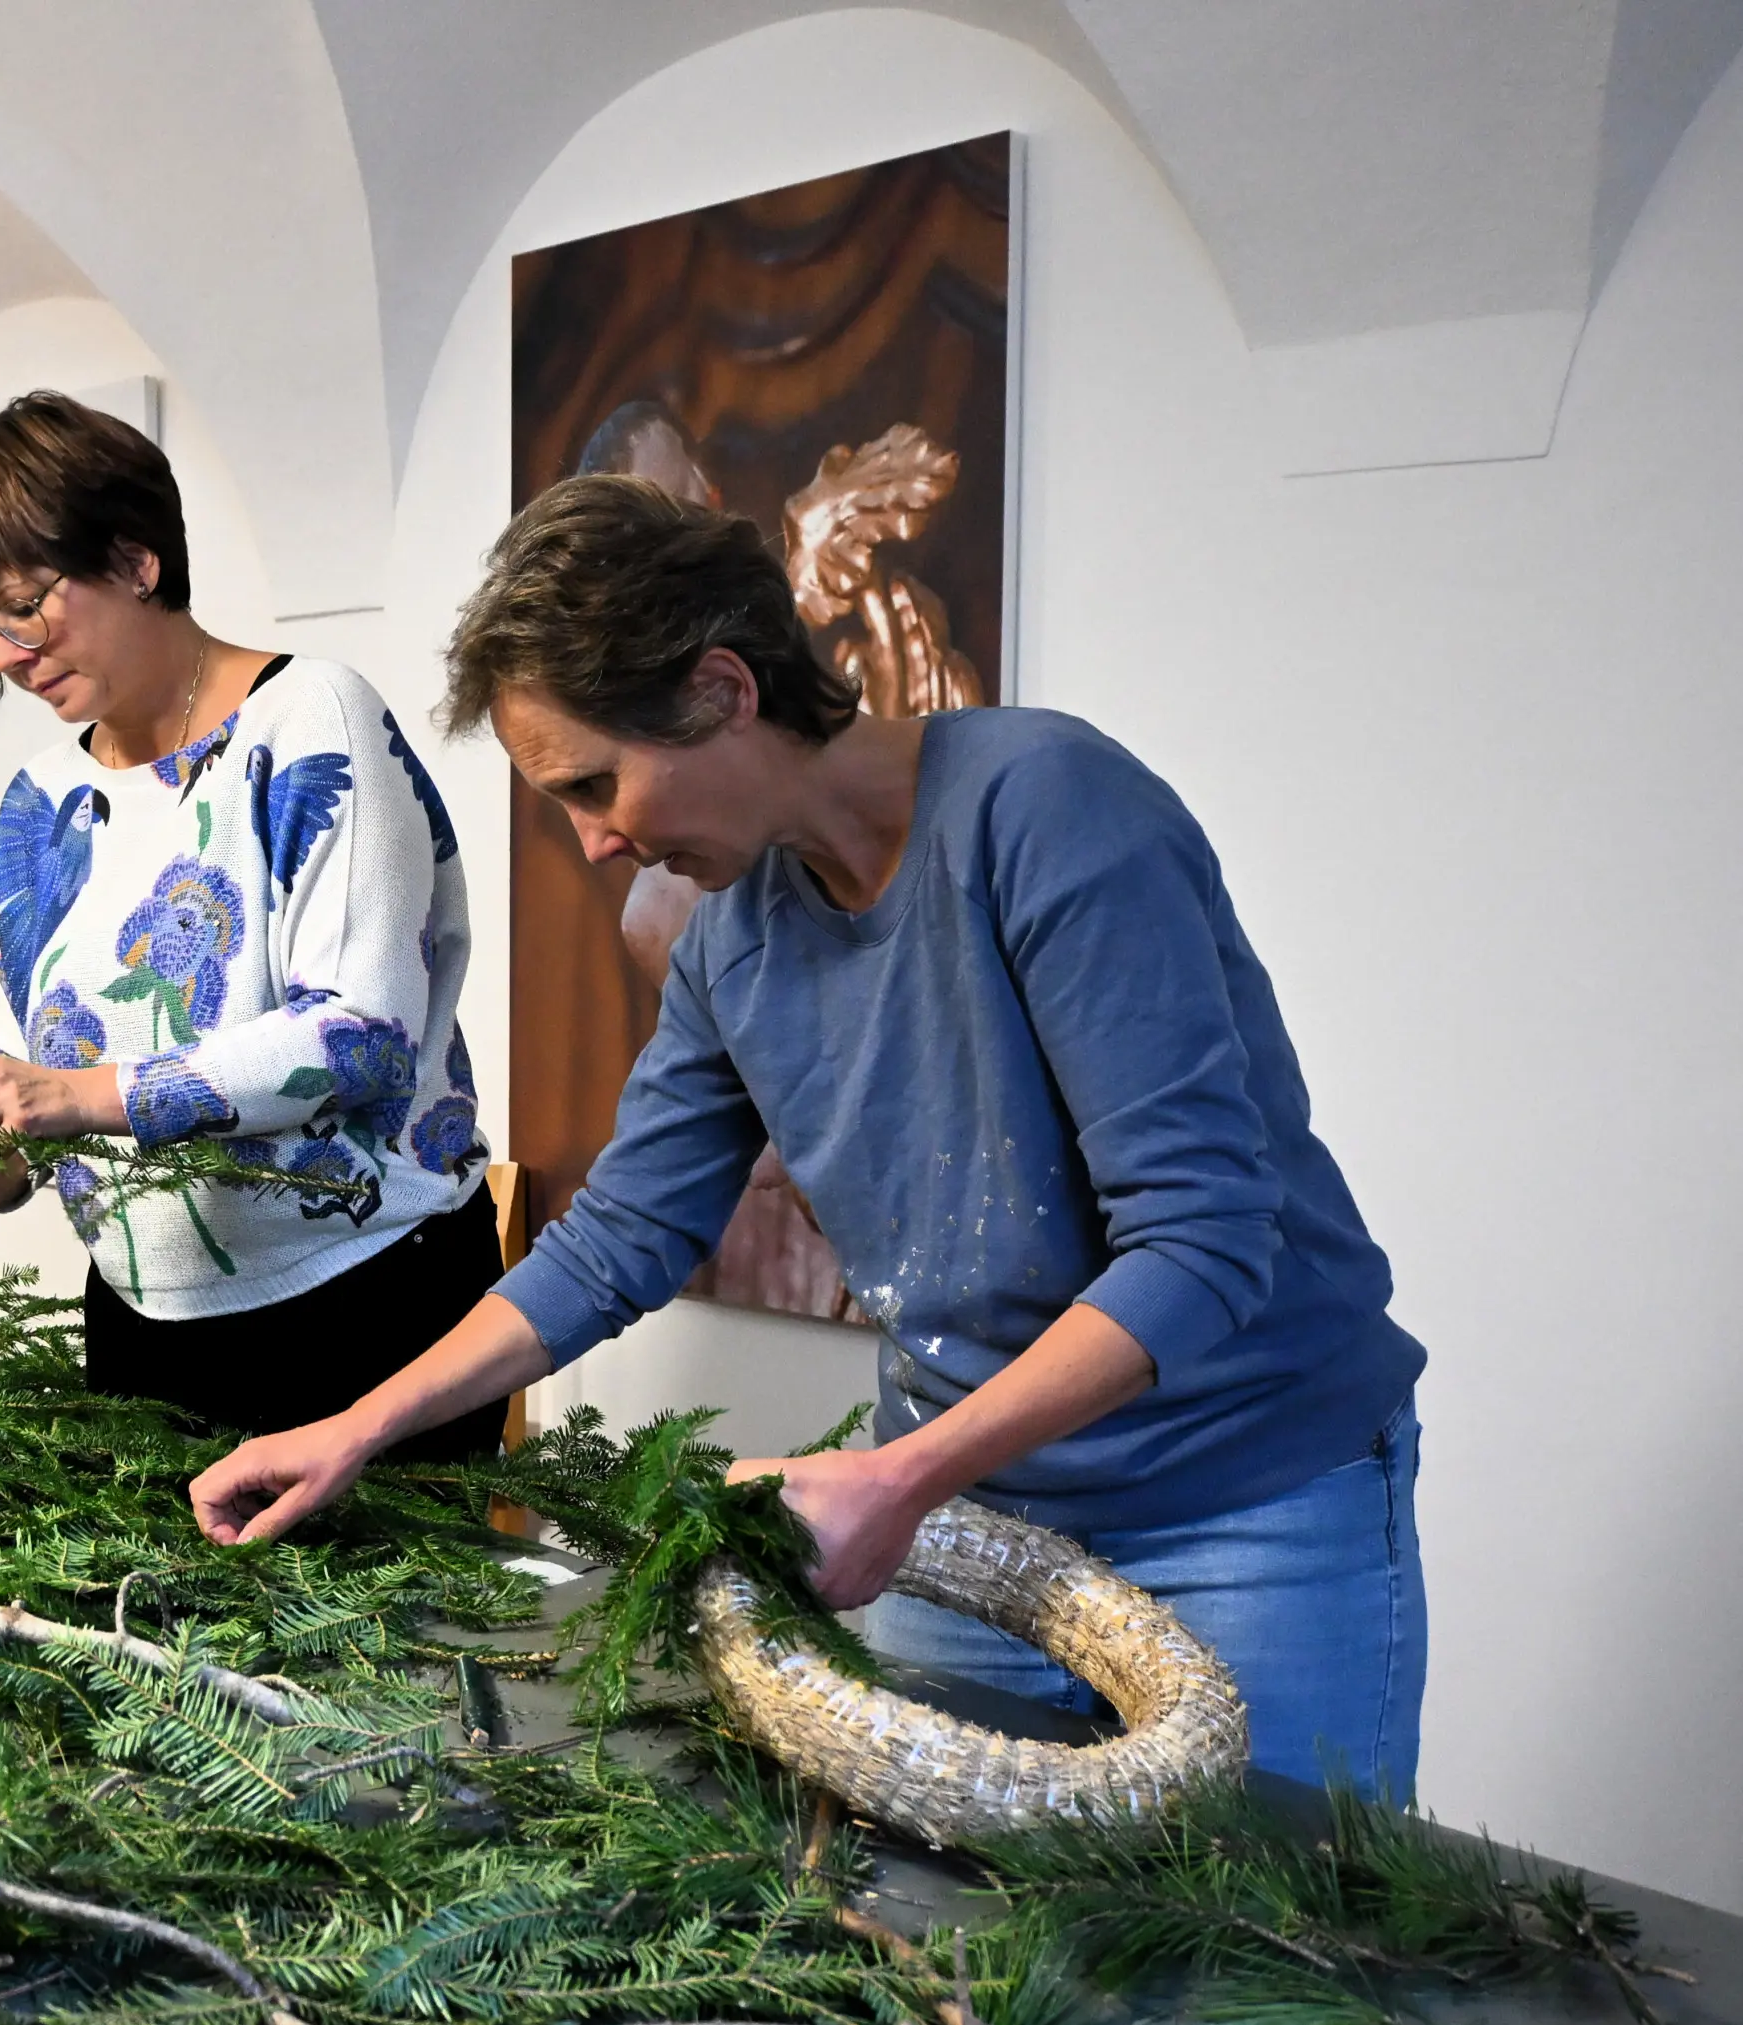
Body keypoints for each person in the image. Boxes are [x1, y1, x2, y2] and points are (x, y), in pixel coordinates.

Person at [189, 475, 1429, 1798]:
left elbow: (1201, 1243)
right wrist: (359, 1426)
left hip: (1240, 1504)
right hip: (962, 1518)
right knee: (946, 1942)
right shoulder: (735, 935)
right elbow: (622, 1237)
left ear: (724, 690)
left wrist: (899, 1477)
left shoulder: (1048, 809)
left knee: (1266, 1951)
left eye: (596, 784)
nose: (595, 842)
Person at [0, 390, 495, 1453]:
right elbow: (43, 1064)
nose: (10, 653)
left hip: (364, 1301)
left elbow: (358, 1037)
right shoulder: (40, 801)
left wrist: (76, 1094)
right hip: (145, 1324)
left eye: (23, 605)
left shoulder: (310, 720)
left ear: (134, 557)